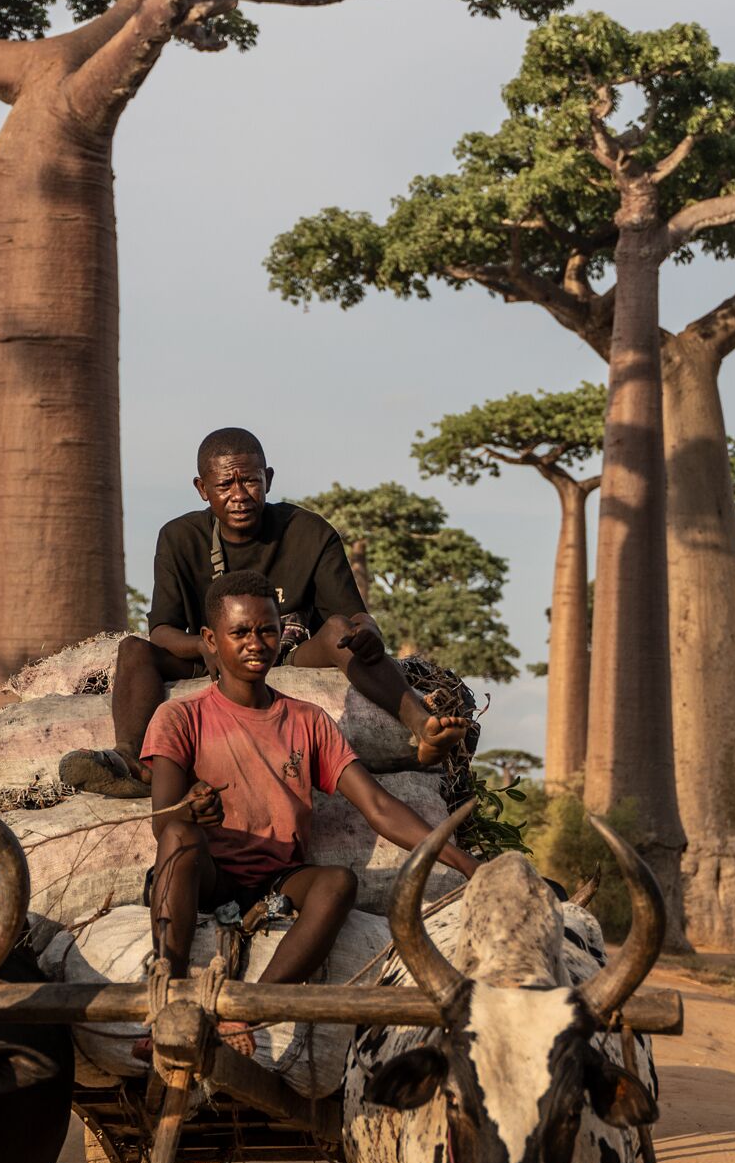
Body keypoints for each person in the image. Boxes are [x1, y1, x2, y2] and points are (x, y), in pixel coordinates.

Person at [140, 572, 481, 1039]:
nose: (255, 643)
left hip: (276, 882)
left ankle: (250, 1010)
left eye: (266, 630)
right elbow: (164, 819)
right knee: (179, 839)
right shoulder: (181, 716)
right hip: (209, 876)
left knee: (337, 883)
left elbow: (378, 806)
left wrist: (465, 863)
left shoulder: (307, 720)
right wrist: (190, 810)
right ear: (210, 640)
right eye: (239, 633)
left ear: (282, 633)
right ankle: (166, 999)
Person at [58, 426, 469, 799]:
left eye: (250, 481)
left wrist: (368, 633)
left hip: (288, 650)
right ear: (203, 489)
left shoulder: (308, 531)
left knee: (340, 632)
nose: (239, 494)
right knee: (134, 649)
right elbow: (162, 630)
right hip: (212, 656)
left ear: (268, 479)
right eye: (225, 484)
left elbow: (351, 617)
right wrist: (207, 651)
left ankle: (423, 727)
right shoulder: (180, 537)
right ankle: (131, 759)